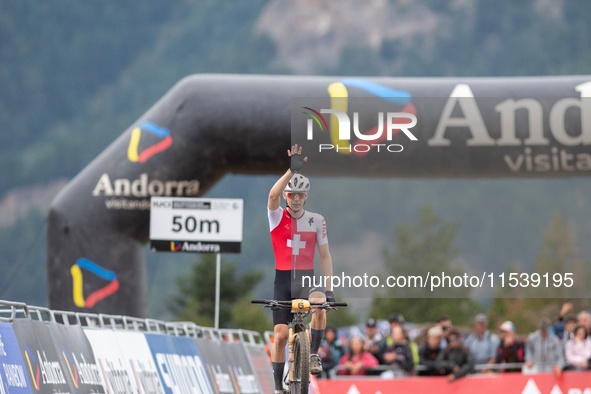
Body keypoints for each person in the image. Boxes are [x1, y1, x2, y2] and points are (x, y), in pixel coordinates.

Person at [268, 145, 334, 394]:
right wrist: (290, 171)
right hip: (282, 282)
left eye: (300, 194)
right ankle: (277, 387)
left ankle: (313, 354)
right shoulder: (276, 217)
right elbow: (272, 196)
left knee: (320, 305)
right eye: (291, 194)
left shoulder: (317, 220)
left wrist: (329, 290)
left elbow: (325, 256)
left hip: (307, 280)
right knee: (281, 336)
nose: (295, 198)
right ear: (286, 196)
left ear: (306, 196)